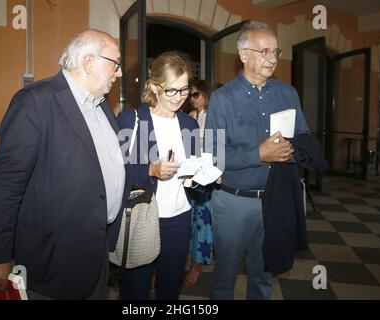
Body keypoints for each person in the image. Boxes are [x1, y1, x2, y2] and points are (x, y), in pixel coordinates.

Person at [0, 28, 130, 300]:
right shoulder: (35, 101)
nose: (120, 73)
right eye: (115, 64)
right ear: (89, 62)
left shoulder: (102, 106)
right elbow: (6, 182)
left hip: (95, 252)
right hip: (53, 259)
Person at [205, 21, 309, 300]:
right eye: (264, 52)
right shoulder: (222, 98)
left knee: (264, 276)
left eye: (276, 52)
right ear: (244, 55)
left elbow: (304, 137)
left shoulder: (288, 93)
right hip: (234, 204)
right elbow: (214, 155)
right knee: (225, 278)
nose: (272, 59)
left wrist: (294, 149)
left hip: (275, 200)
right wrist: (259, 154)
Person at [116, 51, 199, 300]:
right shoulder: (131, 120)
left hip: (179, 218)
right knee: (135, 289)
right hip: (142, 215)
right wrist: (150, 170)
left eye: (184, 90)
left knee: (171, 286)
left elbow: (192, 177)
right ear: (154, 85)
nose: (179, 98)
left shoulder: (189, 125)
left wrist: (205, 176)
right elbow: (117, 170)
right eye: (172, 90)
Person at [184, 80, 214, 287]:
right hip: (190, 173)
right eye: (191, 95)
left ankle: (197, 265)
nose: (191, 99)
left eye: (196, 95)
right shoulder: (191, 117)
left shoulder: (213, 117)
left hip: (207, 175)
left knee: (203, 220)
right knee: (192, 219)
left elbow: (215, 146)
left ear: (206, 95)